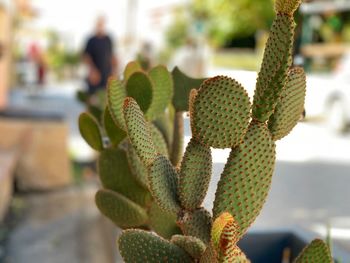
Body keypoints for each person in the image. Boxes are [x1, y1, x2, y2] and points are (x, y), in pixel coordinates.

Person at [83, 16, 117, 95]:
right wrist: (92, 71)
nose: (100, 26)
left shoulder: (108, 39)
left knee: (106, 99)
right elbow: (86, 57)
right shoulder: (91, 40)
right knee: (92, 99)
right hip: (95, 76)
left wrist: (114, 71)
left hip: (106, 75)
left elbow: (111, 56)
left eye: (102, 24)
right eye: (99, 24)